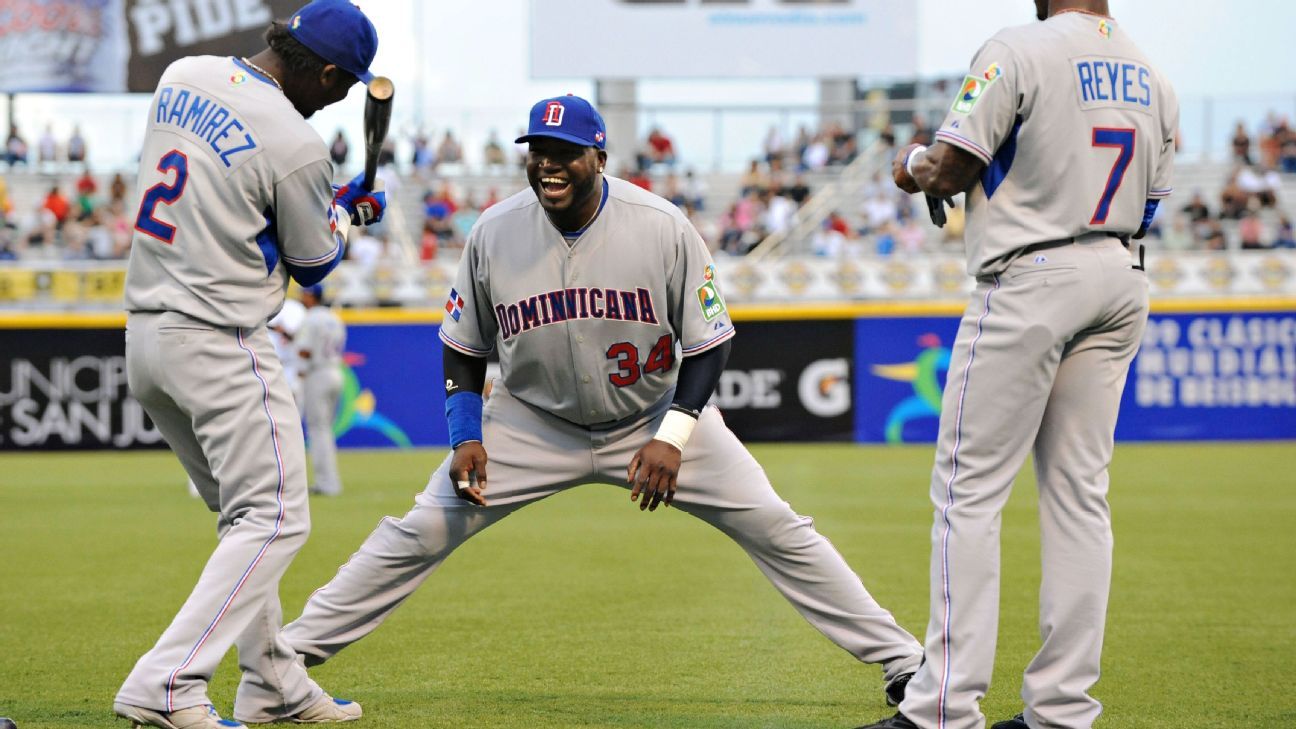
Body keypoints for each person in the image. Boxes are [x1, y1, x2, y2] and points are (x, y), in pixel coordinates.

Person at [275, 94, 924, 722]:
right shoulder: (494, 232)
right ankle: (287, 658)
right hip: (529, 422)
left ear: (599, 157)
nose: (549, 164)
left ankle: (903, 661)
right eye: (539, 151)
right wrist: (464, 434)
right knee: (418, 531)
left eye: (566, 152)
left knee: (778, 527)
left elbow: (709, 344)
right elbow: (465, 347)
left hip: (651, 414)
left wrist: (672, 435)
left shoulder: (662, 225)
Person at [860, 2, 1177, 729]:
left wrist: (912, 167)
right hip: (1120, 267)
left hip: (1032, 273)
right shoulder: (1153, 74)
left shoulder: (1016, 47)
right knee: (1079, 498)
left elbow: (949, 165)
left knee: (967, 493)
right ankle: (1062, 710)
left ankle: (942, 706)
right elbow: (1152, 200)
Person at [113, 2, 386, 727]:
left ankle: (274, 681)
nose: (342, 98)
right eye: (344, 86)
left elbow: (231, 186)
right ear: (326, 72)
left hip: (146, 334)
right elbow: (314, 261)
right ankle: (167, 683)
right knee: (274, 520)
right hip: (220, 336)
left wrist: (327, 203)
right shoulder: (297, 143)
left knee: (244, 520)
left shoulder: (183, 73)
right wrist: (346, 213)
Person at [297, 284, 347, 496]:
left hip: (317, 374)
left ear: (310, 296)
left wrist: (300, 371)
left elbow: (306, 350)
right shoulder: (334, 317)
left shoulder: (310, 318)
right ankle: (330, 480)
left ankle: (327, 483)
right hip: (335, 370)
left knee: (318, 430)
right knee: (324, 430)